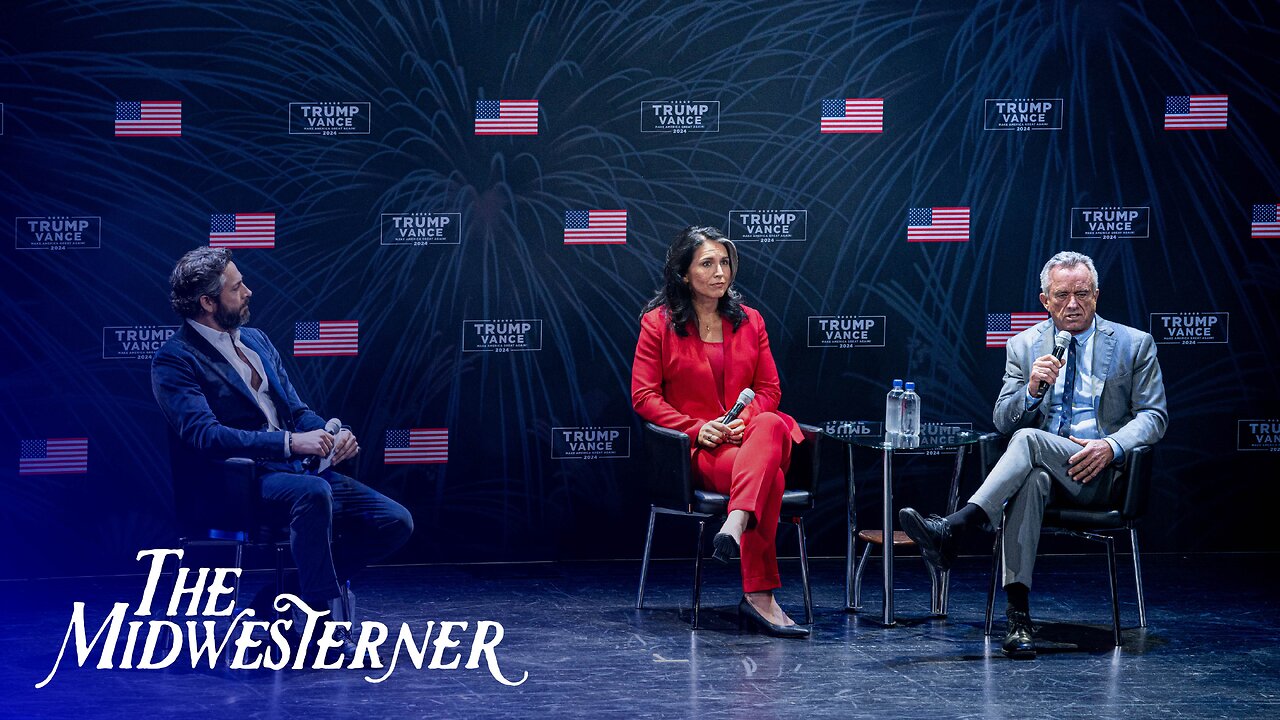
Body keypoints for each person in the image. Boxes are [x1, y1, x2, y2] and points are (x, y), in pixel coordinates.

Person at [899, 251, 1167, 658]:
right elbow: (1003, 420)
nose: (1072, 304)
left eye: (1081, 294)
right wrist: (1031, 391)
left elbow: (1154, 415)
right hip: (1042, 476)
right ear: (1045, 300)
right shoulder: (1024, 346)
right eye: (1061, 296)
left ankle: (958, 525)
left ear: (1097, 295)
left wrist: (1110, 445)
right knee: (1031, 474)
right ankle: (1018, 618)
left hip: (1102, 475)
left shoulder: (1133, 344)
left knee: (1027, 441)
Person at [151, 247, 413, 654]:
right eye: (237, 288)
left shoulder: (256, 341)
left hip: (298, 473)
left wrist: (331, 432)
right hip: (238, 484)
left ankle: (283, 598)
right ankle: (321, 622)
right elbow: (205, 435)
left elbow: (297, 411)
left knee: (395, 521)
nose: (249, 292)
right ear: (207, 302)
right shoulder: (174, 359)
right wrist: (290, 443)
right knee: (313, 493)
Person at [631, 226, 809, 638]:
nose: (719, 272)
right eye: (707, 264)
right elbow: (644, 396)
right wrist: (697, 429)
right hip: (706, 450)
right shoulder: (657, 325)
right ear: (683, 274)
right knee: (773, 479)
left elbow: (769, 391)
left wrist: (742, 422)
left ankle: (735, 521)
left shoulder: (751, 322)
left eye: (724, 263)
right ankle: (760, 598)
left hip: (754, 437)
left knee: (766, 421)